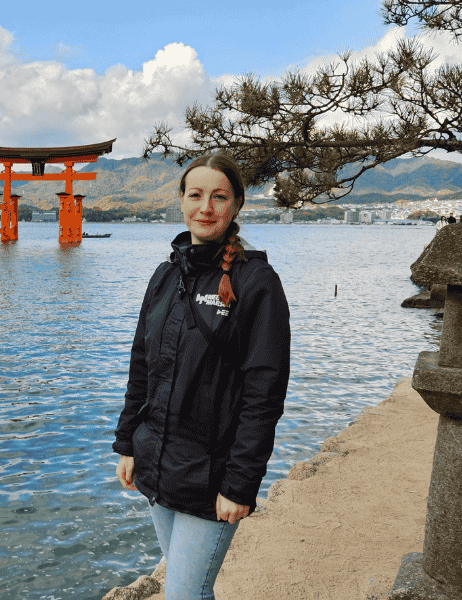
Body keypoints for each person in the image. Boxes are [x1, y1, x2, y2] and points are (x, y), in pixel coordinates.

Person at [113, 152, 290, 600]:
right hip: (158, 461)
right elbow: (142, 365)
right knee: (188, 589)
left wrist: (240, 484)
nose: (205, 207)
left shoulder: (257, 283)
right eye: (196, 195)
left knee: (184, 594)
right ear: (181, 200)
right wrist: (128, 442)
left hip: (213, 473)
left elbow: (263, 393)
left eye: (219, 196)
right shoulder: (165, 275)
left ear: (236, 205)